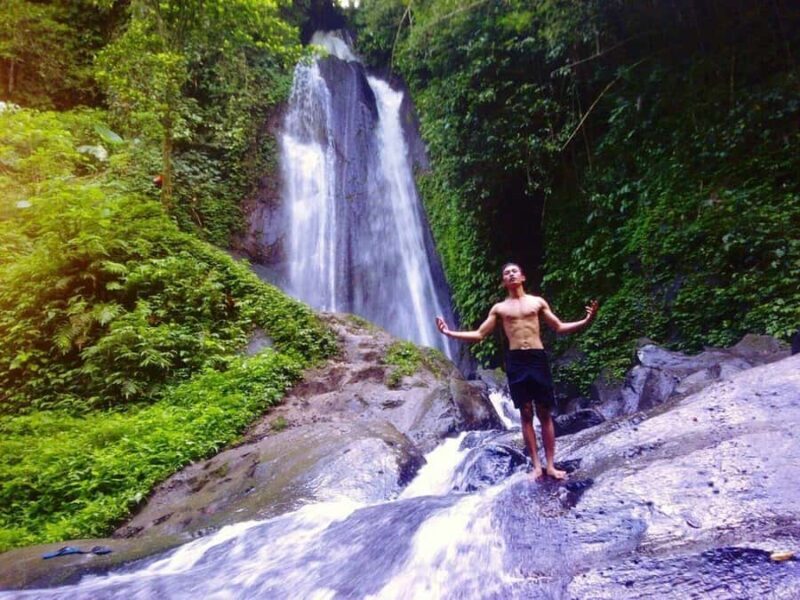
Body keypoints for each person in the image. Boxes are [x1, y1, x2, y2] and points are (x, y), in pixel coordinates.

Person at [436, 263, 598, 480]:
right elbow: (480, 334)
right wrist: (449, 333)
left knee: (544, 412)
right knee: (525, 413)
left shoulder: (537, 302)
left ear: (522, 276)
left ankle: (551, 465)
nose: (510, 274)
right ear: (504, 282)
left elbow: (558, 327)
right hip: (516, 361)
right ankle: (536, 466)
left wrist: (586, 320)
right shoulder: (500, 309)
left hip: (536, 357)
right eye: (506, 273)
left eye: (514, 271)